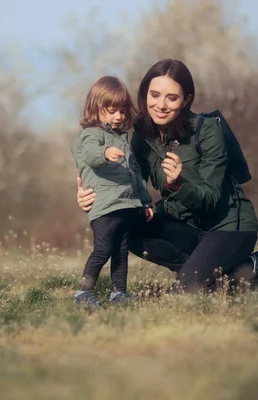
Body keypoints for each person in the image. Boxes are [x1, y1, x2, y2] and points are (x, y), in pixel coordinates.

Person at [76, 59, 258, 293]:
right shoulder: (141, 136)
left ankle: (255, 265)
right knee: (123, 225)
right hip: (185, 227)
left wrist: (178, 184)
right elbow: (130, 185)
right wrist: (92, 195)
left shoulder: (207, 130)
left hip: (227, 226)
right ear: (145, 94)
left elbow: (210, 199)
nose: (161, 105)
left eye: (172, 98)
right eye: (154, 95)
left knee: (187, 290)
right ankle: (220, 271)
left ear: (186, 100)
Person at [71, 76, 155, 306]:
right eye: (111, 111)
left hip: (126, 205)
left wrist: (145, 201)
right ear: (96, 108)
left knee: (121, 252)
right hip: (105, 206)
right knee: (103, 249)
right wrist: (105, 152)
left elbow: (134, 172)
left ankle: (119, 293)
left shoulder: (123, 139)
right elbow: (89, 155)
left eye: (122, 111)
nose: (118, 116)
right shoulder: (91, 135)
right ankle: (84, 292)